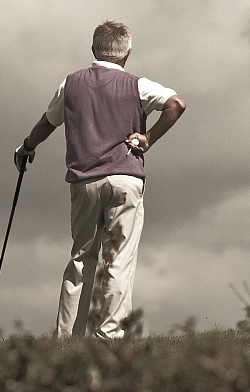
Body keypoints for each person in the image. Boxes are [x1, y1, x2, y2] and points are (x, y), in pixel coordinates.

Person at [15, 21, 186, 339]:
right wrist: (148, 138)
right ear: (127, 54)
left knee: (82, 259)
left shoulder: (71, 83)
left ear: (93, 49)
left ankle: (67, 338)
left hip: (85, 181)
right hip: (126, 178)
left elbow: (47, 122)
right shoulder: (137, 85)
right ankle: (110, 334)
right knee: (120, 257)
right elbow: (176, 104)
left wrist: (27, 147)